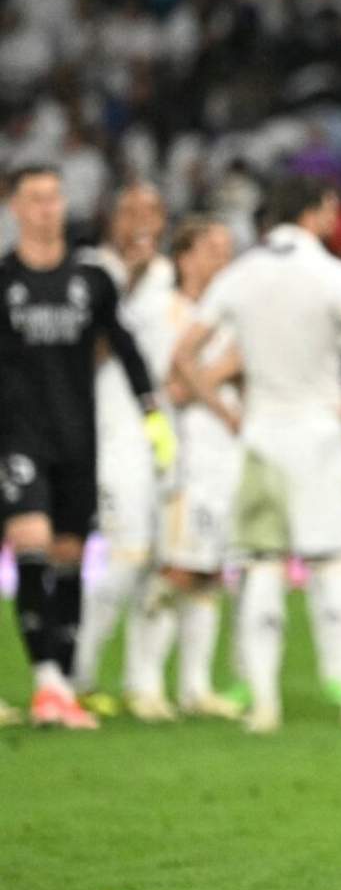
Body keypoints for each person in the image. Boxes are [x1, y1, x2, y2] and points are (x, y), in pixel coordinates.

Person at [173, 176, 341, 736]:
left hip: (261, 437)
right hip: (321, 434)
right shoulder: (333, 274)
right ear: (317, 209)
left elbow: (185, 355)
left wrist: (228, 412)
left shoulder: (240, 276)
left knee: (260, 570)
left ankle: (264, 706)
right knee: (335, 569)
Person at [0, 165, 171, 730]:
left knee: (70, 556)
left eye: (54, 197)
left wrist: (153, 416)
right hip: (19, 436)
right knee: (32, 540)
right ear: (16, 208)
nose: (47, 208)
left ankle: (64, 684)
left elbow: (123, 344)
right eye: (35, 199)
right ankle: (49, 681)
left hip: (78, 435)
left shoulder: (90, 279)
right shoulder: (4, 280)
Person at [124, 215, 246, 720]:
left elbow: (199, 371)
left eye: (227, 248)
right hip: (184, 457)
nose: (223, 257)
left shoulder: (227, 313)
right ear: (184, 257)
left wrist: (205, 374)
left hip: (225, 458)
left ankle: (195, 685)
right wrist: (218, 376)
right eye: (212, 248)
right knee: (174, 568)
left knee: (209, 573)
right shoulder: (162, 311)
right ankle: (143, 681)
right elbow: (168, 385)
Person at [71, 183, 176, 717]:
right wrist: (128, 278)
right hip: (110, 433)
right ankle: (76, 674)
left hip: (163, 434)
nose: (142, 221)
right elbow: (86, 348)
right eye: (130, 210)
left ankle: (144, 683)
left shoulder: (167, 274)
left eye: (152, 211)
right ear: (111, 217)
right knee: (128, 556)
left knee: (161, 564)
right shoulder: (88, 271)